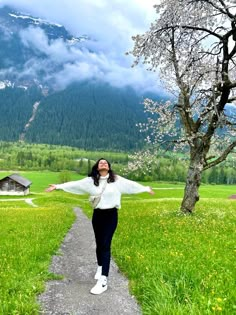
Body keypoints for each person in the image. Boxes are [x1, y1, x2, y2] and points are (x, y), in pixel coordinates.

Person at [46, 158, 154, 295]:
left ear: (109, 167)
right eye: (100, 162)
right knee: (99, 243)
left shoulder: (117, 180)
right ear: (97, 167)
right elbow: (75, 184)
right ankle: (100, 266)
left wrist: (145, 188)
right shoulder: (91, 181)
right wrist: (58, 186)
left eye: (105, 162)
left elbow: (130, 185)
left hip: (111, 216)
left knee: (105, 244)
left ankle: (103, 280)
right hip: (97, 215)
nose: (103, 163)